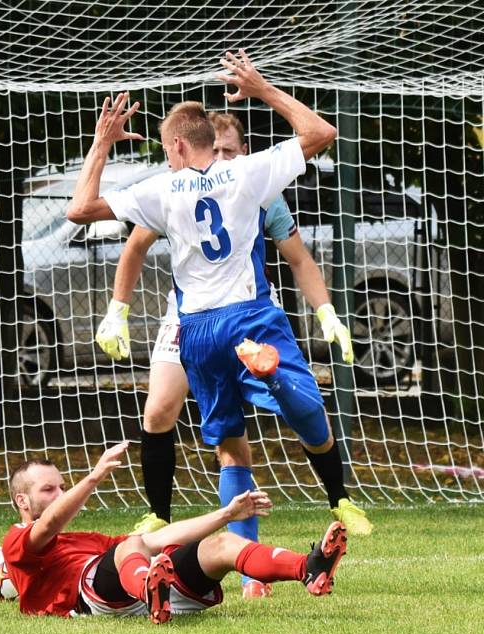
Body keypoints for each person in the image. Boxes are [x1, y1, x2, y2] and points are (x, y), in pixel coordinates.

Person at [66, 49, 372, 564]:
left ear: (180, 145)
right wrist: (263, 90)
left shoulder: (162, 189)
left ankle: (242, 548)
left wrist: (101, 145)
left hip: (198, 329)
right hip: (250, 315)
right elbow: (321, 133)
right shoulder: (250, 174)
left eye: (167, 148)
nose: (166, 156)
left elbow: (79, 210)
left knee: (226, 436)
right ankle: (330, 486)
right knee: (304, 408)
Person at [2, 443, 348, 623]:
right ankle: (152, 590)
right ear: (22, 500)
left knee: (221, 544)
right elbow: (47, 526)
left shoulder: (85, 540)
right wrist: (91, 478)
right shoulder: (15, 541)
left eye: (63, 486)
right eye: (49, 490)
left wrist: (226, 514)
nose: (61, 494)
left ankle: (309, 568)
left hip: (135, 596)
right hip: (89, 602)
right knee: (132, 546)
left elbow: (159, 539)